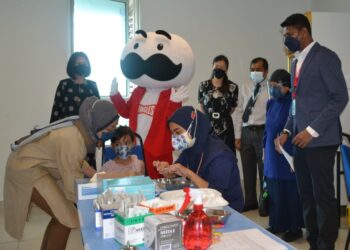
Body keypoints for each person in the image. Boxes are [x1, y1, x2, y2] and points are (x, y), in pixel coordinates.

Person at [4, 97, 119, 250]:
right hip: (26, 168)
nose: (111, 134)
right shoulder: (73, 140)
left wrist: (93, 173)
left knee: (62, 217)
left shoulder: (80, 128)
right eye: (109, 129)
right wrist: (96, 205)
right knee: (67, 219)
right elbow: (73, 186)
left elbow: (74, 159)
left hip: (35, 165)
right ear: (99, 122)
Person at [275, 13, 348, 250]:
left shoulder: (325, 57)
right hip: (299, 140)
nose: (287, 40)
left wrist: (311, 130)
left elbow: (340, 98)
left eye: (290, 35)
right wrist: (287, 130)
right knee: (306, 195)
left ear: (304, 32)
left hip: (320, 140)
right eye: (285, 36)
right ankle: (314, 242)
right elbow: (296, 104)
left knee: (322, 197)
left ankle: (326, 245)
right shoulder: (296, 62)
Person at [154, 106, 244, 211]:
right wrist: (167, 169)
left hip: (225, 209)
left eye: (178, 132)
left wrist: (188, 173)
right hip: (200, 202)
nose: (175, 137)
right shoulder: (191, 147)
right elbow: (177, 172)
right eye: (173, 133)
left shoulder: (220, 155)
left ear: (192, 127)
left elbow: (214, 194)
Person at [263, 69, 304, 242]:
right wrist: (264, 150)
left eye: (276, 86)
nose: (273, 89)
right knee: (274, 191)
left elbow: (297, 129)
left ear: (287, 87)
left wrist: (294, 157)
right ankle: (277, 224)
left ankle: (294, 228)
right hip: (272, 153)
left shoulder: (294, 104)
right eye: (270, 86)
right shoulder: (271, 103)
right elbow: (267, 129)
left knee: (290, 192)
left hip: (288, 153)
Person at [233, 57, 269, 212]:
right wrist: (238, 135)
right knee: (247, 170)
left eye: (258, 69)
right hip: (247, 132)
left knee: (263, 170)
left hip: (263, 131)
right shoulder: (245, 87)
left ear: (265, 71)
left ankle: (264, 203)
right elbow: (239, 112)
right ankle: (250, 201)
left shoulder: (270, 88)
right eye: (252, 69)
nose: (255, 72)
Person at [198, 55, 239, 154]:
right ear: (212, 66)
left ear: (226, 69)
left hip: (225, 126)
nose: (219, 69)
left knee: (226, 154)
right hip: (208, 125)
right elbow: (202, 105)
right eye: (217, 66)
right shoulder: (203, 85)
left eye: (222, 67)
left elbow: (232, 108)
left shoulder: (232, 87)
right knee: (207, 155)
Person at [50, 51, 100, 122]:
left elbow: (98, 110)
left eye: (84, 63)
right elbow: (56, 109)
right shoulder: (64, 84)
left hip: (88, 128)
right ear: (72, 66)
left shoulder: (92, 85)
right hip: (67, 127)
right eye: (79, 63)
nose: (82, 65)